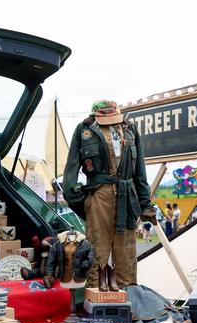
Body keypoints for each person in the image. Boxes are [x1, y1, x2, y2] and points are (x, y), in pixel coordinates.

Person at [63, 100, 154, 290]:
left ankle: (128, 298)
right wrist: (84, 202)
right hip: (99, 194)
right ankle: (95, 297)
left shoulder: (130, 130)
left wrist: (146, 204)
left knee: (126, 250)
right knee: (96, 249)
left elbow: (140, 172)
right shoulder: (84, 130)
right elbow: (71, 171)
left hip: (126, 195)